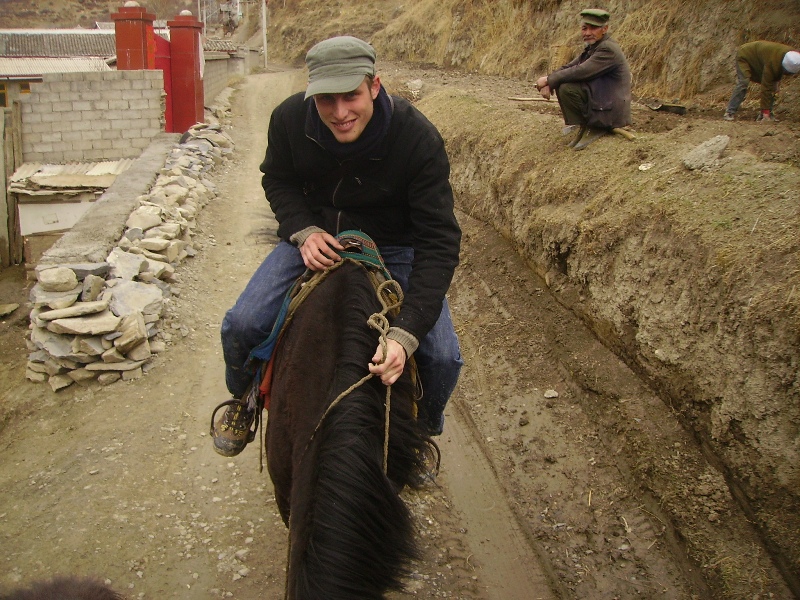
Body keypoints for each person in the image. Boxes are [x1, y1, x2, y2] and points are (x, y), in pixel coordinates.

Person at [211, 35, 463, 457]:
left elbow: (439, 239)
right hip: (319, 237)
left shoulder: (416, 138)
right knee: (242, 324)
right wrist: (302, 229)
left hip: (394, 246)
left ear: (374, 86)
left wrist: (405, 333)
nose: (340, 112)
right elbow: (278, 179)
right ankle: (245, 400)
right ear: (312, 94)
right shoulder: (289, 120)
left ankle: (422, 431)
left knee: (440, 357)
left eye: (351, 96)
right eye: (327, 99)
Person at [535, 8, 631, 150]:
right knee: (564, 84)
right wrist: (550, 81)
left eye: (593, 28)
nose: (587, 33)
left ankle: (597, 126)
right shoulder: (594, 47)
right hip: (602, 101)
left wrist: (549, 80)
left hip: (610, 111)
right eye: (584, 28)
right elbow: (570, 67)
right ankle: (586, 125)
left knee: (567, 88)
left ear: (604, 29)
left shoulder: (607, 49)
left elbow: (581, 71)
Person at [723, 41, 800, 122]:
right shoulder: (772, 64)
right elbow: (766, 87)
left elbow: (778, 73)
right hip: (745, 55)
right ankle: (730, 112)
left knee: (774, 87)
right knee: (743, 82)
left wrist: (776, 83)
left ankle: (768, 113)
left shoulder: (794, 55)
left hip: (761, 57)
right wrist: (765, 113)